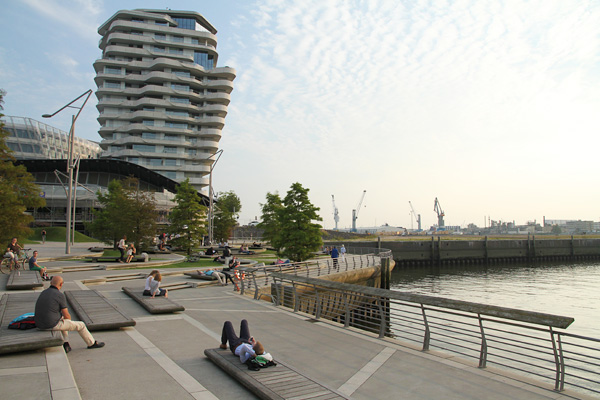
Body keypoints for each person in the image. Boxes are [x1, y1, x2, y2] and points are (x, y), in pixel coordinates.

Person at [34, 276, 105, 353]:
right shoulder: (59, 295)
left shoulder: (44, 292)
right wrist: (69, 324)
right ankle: (91, 343)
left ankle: (66, 343)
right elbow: (67, 315)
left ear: (51, 283)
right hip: (49, 325)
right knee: (81, 325)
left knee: (63, 320)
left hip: (39, 324)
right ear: (61, 284)